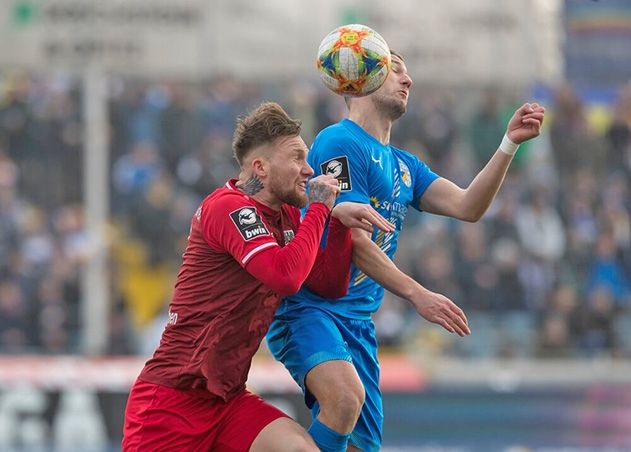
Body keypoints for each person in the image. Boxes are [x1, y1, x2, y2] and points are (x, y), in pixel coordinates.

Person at [266, 52, 545, 451]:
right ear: (361, 78)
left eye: (407, 71)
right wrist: (417, 293)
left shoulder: (404, 166)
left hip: (358, 319)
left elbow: (468, 206)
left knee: (362, 444)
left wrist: (508, 143)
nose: (407, 79)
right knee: (344, 398)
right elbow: (354, 240)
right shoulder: (338, 140)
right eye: (395, 69)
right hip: (311, 307)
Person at [122, 102, 394, 452]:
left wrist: (336, 224)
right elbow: (285, 277)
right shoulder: (227, 207)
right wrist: (321, 209)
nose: (309, 170)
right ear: (260, 168)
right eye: (297, 157)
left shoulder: (287, 218)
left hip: (228, 401)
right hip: (171, 403)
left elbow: (329, 284)